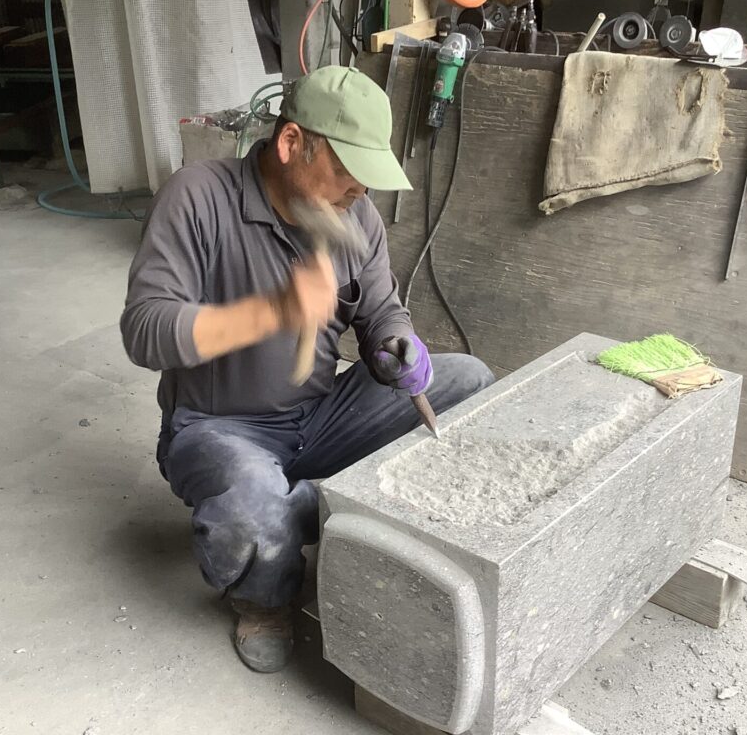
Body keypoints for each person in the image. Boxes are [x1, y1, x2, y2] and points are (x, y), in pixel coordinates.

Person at [120, 66, 494, 673]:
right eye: (348, 173)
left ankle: (305, 512)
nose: (360, 194)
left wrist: (394, 345)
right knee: (250, 505)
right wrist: (271, 313)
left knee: (468, 380)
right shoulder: (197, 197)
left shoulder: (356, 220)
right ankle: (267, 596)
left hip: (321, 418)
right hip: (220, 427)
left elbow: (381, 311)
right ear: (292, 143)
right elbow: (144, 330)